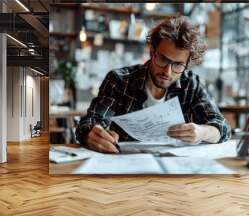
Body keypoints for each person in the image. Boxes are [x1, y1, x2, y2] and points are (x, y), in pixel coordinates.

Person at [76, 16, 231, 153]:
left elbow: (222, 127)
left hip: (174, 168)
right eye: (163, 59)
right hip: (124, 167)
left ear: (187, 64)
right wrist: (92, 134)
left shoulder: (191, 84)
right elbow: (92, 120)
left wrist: (202, 132)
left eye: (178, 65)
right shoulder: (119, 80)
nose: (168, 72)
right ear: (152, 52)